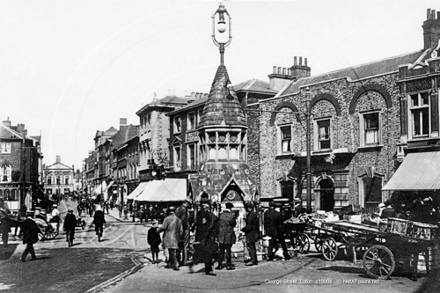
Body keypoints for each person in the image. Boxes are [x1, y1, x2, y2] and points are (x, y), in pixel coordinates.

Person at [192, 198, 219, 276]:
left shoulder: (205, 213)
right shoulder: (202, 213)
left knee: (208, 252)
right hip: (205, 236)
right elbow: (202, 225)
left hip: (207, 236)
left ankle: (207, 267)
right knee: (208, 252)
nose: (207, 206)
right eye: (206, 204)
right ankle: (208, 269)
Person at [157, 206, 182, 271]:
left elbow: (163, 227)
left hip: (169, 237)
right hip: (176, 237)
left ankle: (176, 264)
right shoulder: (179, 220)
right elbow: (181, 230)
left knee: (171, 251)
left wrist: (158, 230)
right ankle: (170, 263)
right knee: (174, 251)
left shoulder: (167, 219)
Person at [216, 202, 236, 270]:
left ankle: (220, 264)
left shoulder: (220, 215)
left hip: (221, 235)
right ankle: (228, 264)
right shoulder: (232, 215)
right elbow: (234, 224)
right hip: (228, 234)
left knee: (221, 250)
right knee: (228, 250)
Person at [241, 201, 260, 266]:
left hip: (251, 233)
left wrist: (243, 229)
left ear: (248, 208)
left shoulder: (251, 215)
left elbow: (249, 226)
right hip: (253, 233)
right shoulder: (253, 214)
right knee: (252, 246)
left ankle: (253, 260)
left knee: (251, 246)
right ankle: (254, 259)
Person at [175, 200, 191, 265]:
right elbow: (184, 220)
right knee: (185, 245)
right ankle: (184, 260)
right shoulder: (184, 210)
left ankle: (178, 259)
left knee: (178, 245)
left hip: (177, 229)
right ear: (186, 203)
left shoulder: (178, 209)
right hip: (184, 229)